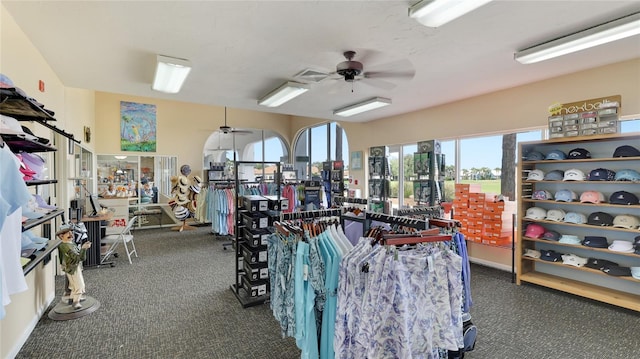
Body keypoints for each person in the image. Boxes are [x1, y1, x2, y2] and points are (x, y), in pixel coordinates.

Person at [56, 225, 91, 309]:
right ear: (61, 236)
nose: (71, 235)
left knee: (73, 284)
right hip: (72, 268)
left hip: (74, 266)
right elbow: (79, 258)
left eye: (71, 233)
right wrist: (84, 249)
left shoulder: (70, 243)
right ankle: (76, 302)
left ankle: (72, 298)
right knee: (79, 285)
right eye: (68, 233)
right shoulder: (65, 246)